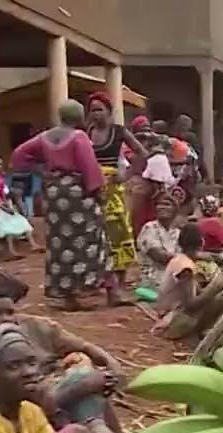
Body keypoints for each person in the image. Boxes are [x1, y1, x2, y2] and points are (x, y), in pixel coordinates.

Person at [0, 273, 125, 433]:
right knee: (85, 388)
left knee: (82, 370)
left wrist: (107, 370)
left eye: (9, 313)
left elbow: (83, 348)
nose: (4, 320)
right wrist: (77, 388)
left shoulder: (26, 332)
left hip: (39, 417)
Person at [11, 99, 111, 312]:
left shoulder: (44, 137)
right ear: (79, 116)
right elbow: (89, 168)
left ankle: (61, 292)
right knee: (89, 238)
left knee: (59, 241)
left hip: (54, 192)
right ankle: (83, 290)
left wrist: (40, 170)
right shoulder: (79, 137)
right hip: (77, 192)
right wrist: (98, 192)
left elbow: (19, 154)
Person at [87, 92, 148, 306]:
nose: (95, 114)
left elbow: (142, 154)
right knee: (96, 233)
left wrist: (126, 174)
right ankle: (102, 282)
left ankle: (120, 284)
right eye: (92, 110)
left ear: (109, 111)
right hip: (93, 189)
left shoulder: (119, 132)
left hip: (113, 189)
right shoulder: (87, 133)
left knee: (119, 232)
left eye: (99, 109)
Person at [151, 221, 223, 341]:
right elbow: (190, 304)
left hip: (167, 313)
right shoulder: (186, 268)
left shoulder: (179, 259)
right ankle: (203, 331)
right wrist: (216, 286)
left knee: (215, 293)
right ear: (202, 242)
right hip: (171, 320)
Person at [135, 187, 186, 295]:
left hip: (171, 279)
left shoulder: (176, 232)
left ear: (175, 210)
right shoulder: (149, 228)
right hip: (152, 282)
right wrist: (190, 258)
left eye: (167, 204)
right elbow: (160, 256)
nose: (162, 207)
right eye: (159, 204)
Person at [0, 158, 31, 259]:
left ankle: (32, 244)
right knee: (5, 220)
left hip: (1, 204)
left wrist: (7, 205)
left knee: (19, 217)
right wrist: (4, 208)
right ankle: (11, 251)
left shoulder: (1, 179)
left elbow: (3, 196)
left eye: (0, 164)